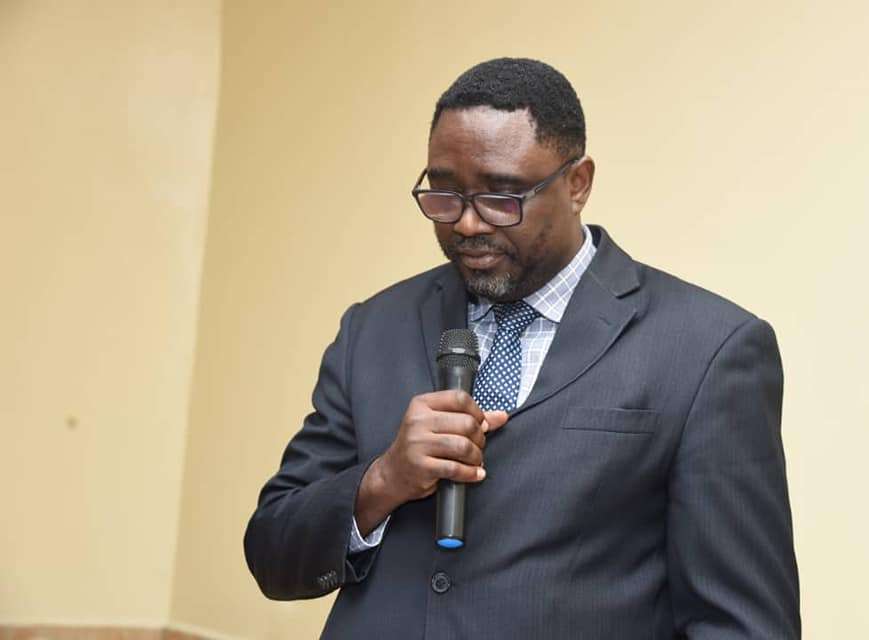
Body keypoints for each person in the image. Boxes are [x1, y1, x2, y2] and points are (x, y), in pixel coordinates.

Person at [244, 57, 800, 639]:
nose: (466, 224)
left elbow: (743, 625)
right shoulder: (373, 328)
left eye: (501, 196)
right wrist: (383, 481)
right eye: (445, 193)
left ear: (578, 183)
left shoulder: (708, 349)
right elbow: (273, 554)